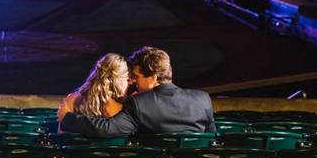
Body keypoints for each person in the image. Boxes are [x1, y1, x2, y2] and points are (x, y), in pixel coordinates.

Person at [59, 46, 215, 137]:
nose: (133, 81)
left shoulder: (139, 103)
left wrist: (68, 118)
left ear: (153, 78)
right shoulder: (202, 99)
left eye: (137, 77)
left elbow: (107, 128)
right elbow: (212, 138)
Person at [57, 53, 129, 122]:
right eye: (127, 79)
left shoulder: (71, 100)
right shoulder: (122, 110)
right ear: (118, 80)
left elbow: (62, 133)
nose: (129, 83)